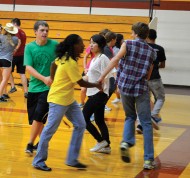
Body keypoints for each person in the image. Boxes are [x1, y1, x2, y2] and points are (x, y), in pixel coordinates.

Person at [33, 34, 102, 171]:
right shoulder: (69, 62)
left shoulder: (64, 58)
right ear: (74, 46)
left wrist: (53, 79)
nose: (84, 46)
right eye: (81, 43)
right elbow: (81, 82)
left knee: (81, 124)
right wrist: (96, 84)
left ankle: (71, 159)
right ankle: (38, 161)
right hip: (58, 100)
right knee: (49, 130)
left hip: (69, 99)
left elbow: (54, 64)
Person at [98, 22, 157, 170]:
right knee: (146, 123)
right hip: (141, 88)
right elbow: (149, 74)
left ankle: (126, 142)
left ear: (135, 33)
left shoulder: (128, 44)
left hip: (125, 87)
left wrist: (102, 77)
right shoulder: (151, 51)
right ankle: (148, 160)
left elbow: (115, 60)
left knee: (129, 117)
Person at [24, 21, 58, 155]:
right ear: (35, 32)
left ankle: (30, 143)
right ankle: (43, 144)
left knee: (38, 117)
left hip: (48, 88)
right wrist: (43, 78)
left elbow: (61, 61)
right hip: (33, 87)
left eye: (47, 30)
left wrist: (52, 77)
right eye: (42, 30)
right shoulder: (29, 47)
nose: (45, 33)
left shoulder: (54, 45)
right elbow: (28, 67)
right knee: (34, 120)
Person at [82, 34, 111, 154]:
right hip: (93, 93)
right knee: (99, 120)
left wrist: (104, 88)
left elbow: (109, 72)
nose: (91, 45)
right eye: (90, 42)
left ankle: (100, 140)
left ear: (100, 44)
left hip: (99, 93)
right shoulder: (94, 59)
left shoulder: (103, 58)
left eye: (93, 43)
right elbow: (90, 77)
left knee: (83, 119)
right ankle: (107, 146)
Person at [136, 29, 166, 133]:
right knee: (160, 98)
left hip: (143, 77)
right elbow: (163, 65)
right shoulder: (160, 49)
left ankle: (139, 124)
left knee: (143, 101)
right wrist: (156, 66)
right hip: (155, 77)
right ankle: (153, 116)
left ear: (147, 37)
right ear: (155, 37)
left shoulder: (142, 47)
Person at [9, 18, 28, 98]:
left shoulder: (16, 31)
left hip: (15, 55)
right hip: (22, 55)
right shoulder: (23, 32)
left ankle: (13, 86)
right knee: (22, 74)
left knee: (8, 71)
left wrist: (15, 49)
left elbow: (19, 41)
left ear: (15, 23)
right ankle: (26, 92)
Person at [0, 23, 18, 102]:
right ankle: (0, 95)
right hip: (7, 60)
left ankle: (3, 94)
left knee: (1, 79)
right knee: (5, 80)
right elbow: (15, 48)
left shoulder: (0, 37)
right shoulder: (15, 39)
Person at [103, 31, 117, 111]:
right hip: (106, 73)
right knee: (111, 87)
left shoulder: (108, 48)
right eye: (115, 40)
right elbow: (112, 63)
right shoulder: (106, 49)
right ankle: (101, 105)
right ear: (112, 40)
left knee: (111, 88)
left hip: (107, 73)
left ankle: (102, 105)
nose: (115, 41)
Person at [112, 33, 124, 104]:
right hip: (116, 68)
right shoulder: (115, 49)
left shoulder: (121, 48)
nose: (123, 40)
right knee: (116, 84)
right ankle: (118, 97)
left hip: (120, 68)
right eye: (122, 39)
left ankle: (121, 98)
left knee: (119, 84)